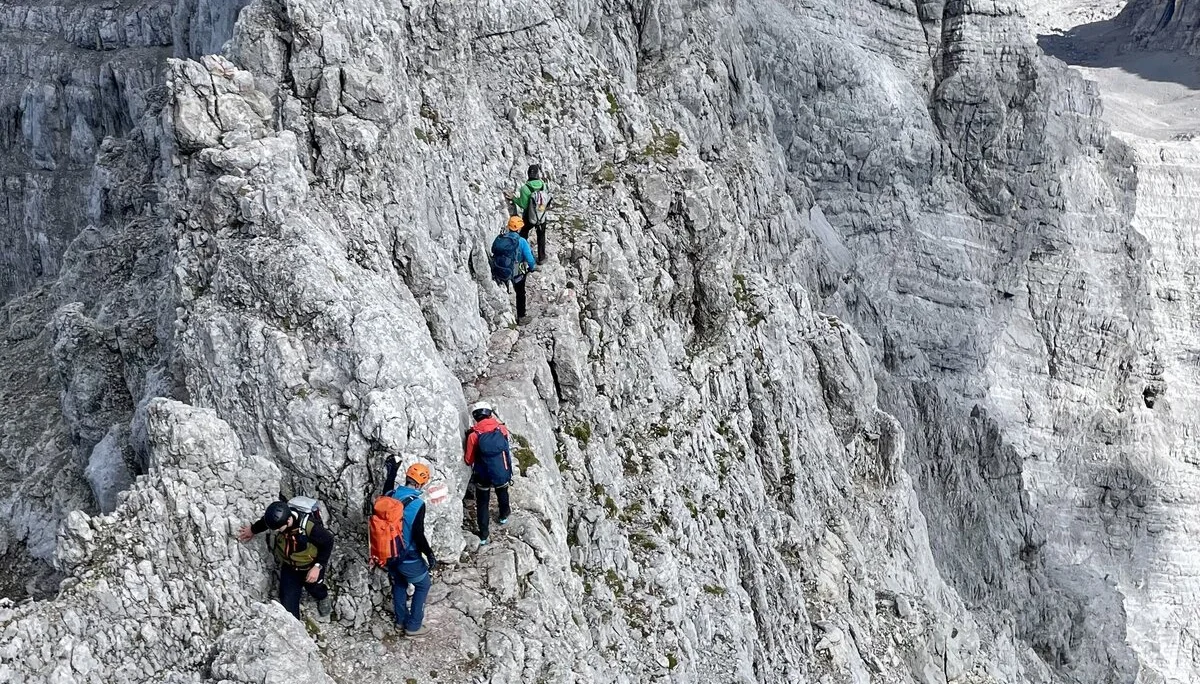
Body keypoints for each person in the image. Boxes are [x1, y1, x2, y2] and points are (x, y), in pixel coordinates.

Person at [238, 499, 334, 620]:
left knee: (314, 587)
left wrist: (318, 566)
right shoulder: (279, 520)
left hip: (310, 565)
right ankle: (296, 631)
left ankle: (322, 596)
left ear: (288, 521)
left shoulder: (310, 527)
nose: (277, 531)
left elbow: (328, 542)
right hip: (290, 566)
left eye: (279, 528)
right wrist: (252, 530)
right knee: (288, 605)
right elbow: (265, 523)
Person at [377, 461, 438, 636]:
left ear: (407, 477)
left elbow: (385, 492)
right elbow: (418, 534)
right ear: (420, 483)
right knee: (423, 585)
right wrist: (429, 554)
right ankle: (413, 626)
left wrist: (391, 472)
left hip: (388, 552)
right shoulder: (418, 504)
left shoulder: (391, 494)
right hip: (407, 555)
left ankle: (400, 621)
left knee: (400, 583)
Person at [463, 401, 514, 545]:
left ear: (476, 416)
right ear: (490, 413)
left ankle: (484, 534)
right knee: (502, 492)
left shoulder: (474, 436)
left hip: (483, 474)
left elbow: (468, 459)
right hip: (501, 471)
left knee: (482, 503)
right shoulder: (502, 429)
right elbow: (506, 449)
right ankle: (504, 515)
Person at [490, 216, 537, 325]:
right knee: (520, 293)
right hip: (516, 269)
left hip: (500, 267)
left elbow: (493, 250)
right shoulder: (522, 241)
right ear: (519, 228)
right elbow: (529, 258)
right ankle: (521, 316)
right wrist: (532, 267)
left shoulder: (502, 237)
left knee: (507, 284)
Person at [507, 164, 552, 263]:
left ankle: (521, 255)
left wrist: (514, 198)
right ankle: (541, 258)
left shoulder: (525, 188)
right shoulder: (543, 185)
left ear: (528, 174)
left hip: (529, 216)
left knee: (523, 233)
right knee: (541, 235)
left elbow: (523, 204)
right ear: (537, 174)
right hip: (541, 214)